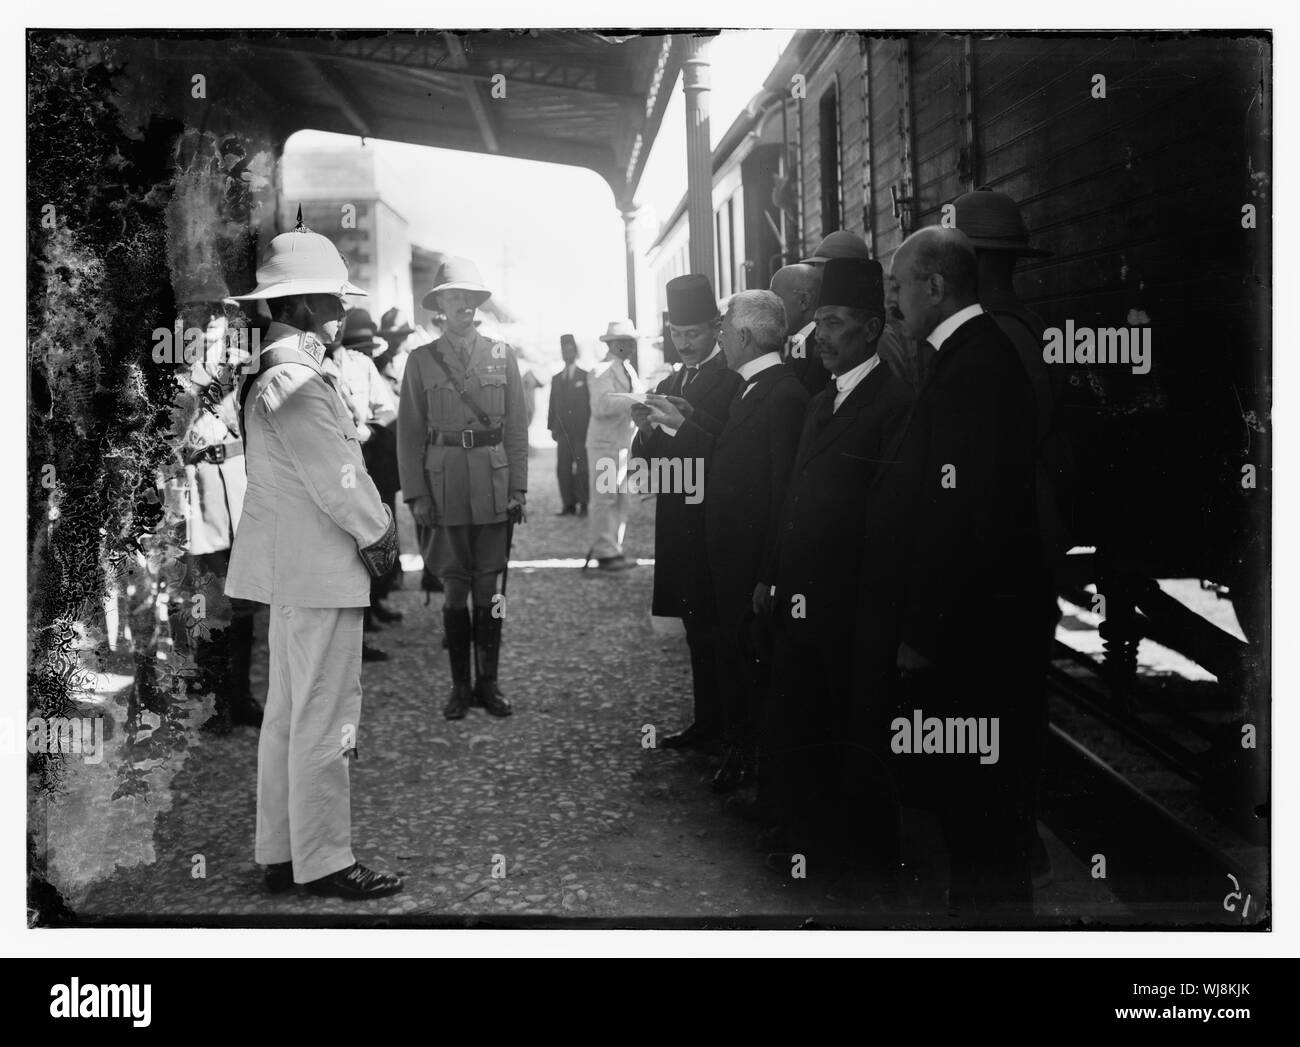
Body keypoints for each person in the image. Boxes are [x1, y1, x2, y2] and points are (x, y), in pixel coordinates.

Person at [863, 226, 1046, 919]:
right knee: (975, 804)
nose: (894, 301)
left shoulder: (970, 368)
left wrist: (922, 630)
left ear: (935, 286)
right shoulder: (968, 354)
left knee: (981, 808)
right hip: (981, 622)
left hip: (976, 632)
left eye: (900, 286)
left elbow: (959, 516)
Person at [225, 217, 402, 900]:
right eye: (331, 299)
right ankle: (324, 859)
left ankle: (283, 851)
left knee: (290, 714)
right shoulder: (296, 377)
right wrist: (381, 538)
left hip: (296, 569)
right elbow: (341, 479)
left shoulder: (278, 368)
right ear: (299, 304)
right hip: (321, 569)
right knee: (326, 715)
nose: (341, 311)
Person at [767, 256, 913, 896]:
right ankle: (814, 847)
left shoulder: (893, 405)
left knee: (855, 733)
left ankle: (870, 872)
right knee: (809, 723)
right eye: (819, 321)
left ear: (872, 327)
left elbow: (891, 523)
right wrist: (775, 574)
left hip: (851, 605)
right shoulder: (825, 398)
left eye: (833, 322)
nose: (820, 335)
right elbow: (795, 496)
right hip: (806, 599)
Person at [686, 291, 809, 798]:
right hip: (731, 560)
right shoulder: (752, 387)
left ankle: (756, 770)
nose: (719, 339)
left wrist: (768, 575)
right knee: (736, 658)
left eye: (723, 331)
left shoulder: (783, 395)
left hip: (751, 565)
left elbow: (784, 495)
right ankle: (739, 756)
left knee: (753, 665)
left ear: (742, 336)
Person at [397, 257, 528, 720]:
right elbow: (410, 434)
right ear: (440, 305)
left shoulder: (502, 355)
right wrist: (417, 495)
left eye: (469, 298)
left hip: (493, 484)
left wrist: (518, 488)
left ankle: (488, 684)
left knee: (489, 591)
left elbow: (516, 429)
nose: (463, 306)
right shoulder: (420, 361)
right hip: (444, 486)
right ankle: (459, 687)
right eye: (453, 297)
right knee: (454, 591)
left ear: (477, 304)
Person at [633, 274, 742, 751]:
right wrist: (646, 430)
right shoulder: (670, 381)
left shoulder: (734, 379)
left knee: (719, 629)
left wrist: (683, 424)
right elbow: (646, 466)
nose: (684, 343)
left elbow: (733, 448)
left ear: (716, 328)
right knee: (695, 628)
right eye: (677, 334)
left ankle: (731, 732)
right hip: (679, 519)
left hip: (715, 517)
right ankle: (706, 722)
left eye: (693, 333)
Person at [177, 274, 263, 732]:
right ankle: (214, 701)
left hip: (239, 482)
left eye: (217, 312)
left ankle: (241, 694)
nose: (209, 320)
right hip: (202, 489)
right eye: (200, 311)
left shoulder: (244, 364)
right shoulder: (172, 369)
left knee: (244, 596)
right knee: (210, 599)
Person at [332, 308, 402, 657]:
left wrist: (369, 430)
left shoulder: (361, 365)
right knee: (346, 547)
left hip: (372, 466)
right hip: (338, 474)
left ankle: (372, 609)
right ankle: (352, 633)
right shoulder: (309, 367)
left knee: (377, 539)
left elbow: (387, 408)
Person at [583, 320, 641, 571]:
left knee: (620, 498)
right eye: (626, 342)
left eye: (631, 341)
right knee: (605, 498)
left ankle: (613, 548)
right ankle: (605, 552)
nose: (631, 346)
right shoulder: (601, 371)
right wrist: (638, 398)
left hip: (622, 443)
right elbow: (602, 405)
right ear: (613, 344)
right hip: (605, 444)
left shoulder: (628, 369)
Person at [769, 264, 830, 398]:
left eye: (776, 301)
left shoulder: (822, 349)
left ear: (804, 301)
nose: (771, 311)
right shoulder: (800, 341)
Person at [548, 333, 590, 517]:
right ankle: (568, 504)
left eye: (570, 350)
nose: (567, 353)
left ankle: (584, 503)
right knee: (563, 469)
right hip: (562, 432)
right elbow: (552, 405)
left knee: (582, 469)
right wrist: (552, 427)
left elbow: (590, 405)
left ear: (576, 351)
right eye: (564, 350)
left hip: (581, 431)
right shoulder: (556, 378)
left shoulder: (585, 376)